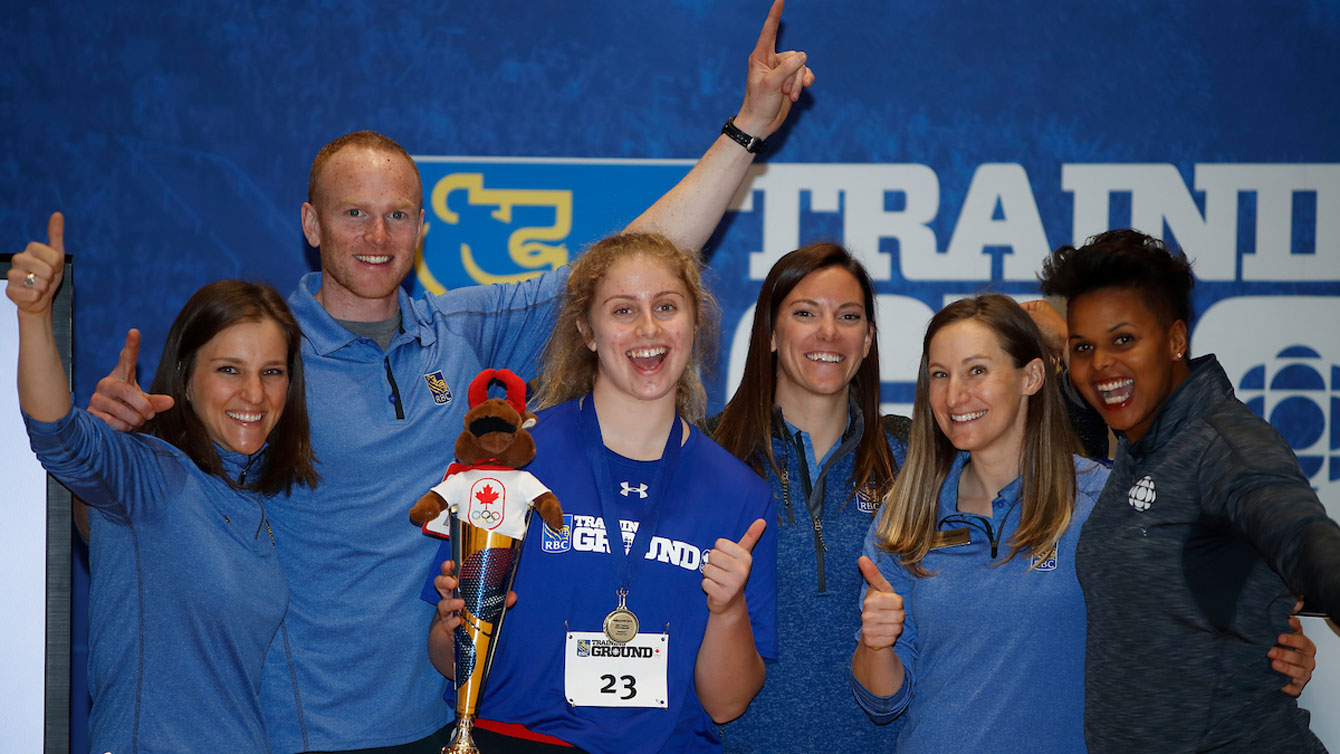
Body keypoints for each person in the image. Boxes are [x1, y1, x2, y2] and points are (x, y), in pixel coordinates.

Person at [84, 2, 814, 750]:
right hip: (303, 728)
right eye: (354, 214)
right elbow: (159, 497)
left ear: (423, 228)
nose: (377, 237)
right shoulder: (270, 363)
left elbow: (628, 269)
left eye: (398, 215)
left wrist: (747, 129)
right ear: (311, 224)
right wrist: (133, 435)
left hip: (443, 719)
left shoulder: (464, 329)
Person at [424, 232, 776, 753]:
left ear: (694, 323)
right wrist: (453, 625)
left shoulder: (741, 494)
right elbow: (443, 654)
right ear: (587, 330)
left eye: (666, 306)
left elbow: (727, 705)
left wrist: (726, 612)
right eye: (623, 311)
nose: (649, 329)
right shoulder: (513, 461)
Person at [9, 213, 317, 753]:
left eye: (271, 371)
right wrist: (34, 318)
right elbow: (59, 436)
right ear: (187, 379)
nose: (254, 394)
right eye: (229, 370)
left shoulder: (258, 506)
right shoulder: (152, 472)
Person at [1038, 229, 1340, 753]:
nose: (1102, 364)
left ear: (1176, 340)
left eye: (1124, 339)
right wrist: (1042, 331)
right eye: (1085, 346)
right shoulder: (1142, 437)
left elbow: (1306, 540)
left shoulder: (1226, 445)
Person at [849, 293, 1107, 752]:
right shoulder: (906, 512)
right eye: (940, 375)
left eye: (977, 371)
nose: (954, 396)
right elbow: (882, 701)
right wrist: (876, 644)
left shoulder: (1095, 500)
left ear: (1031, 376)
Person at [705, 243, 908, 752]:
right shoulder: (704, 456)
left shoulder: (912, 464)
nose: (829, 333)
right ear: (771, 334)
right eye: (804, 313)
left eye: (848, 316)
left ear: (867, 340)